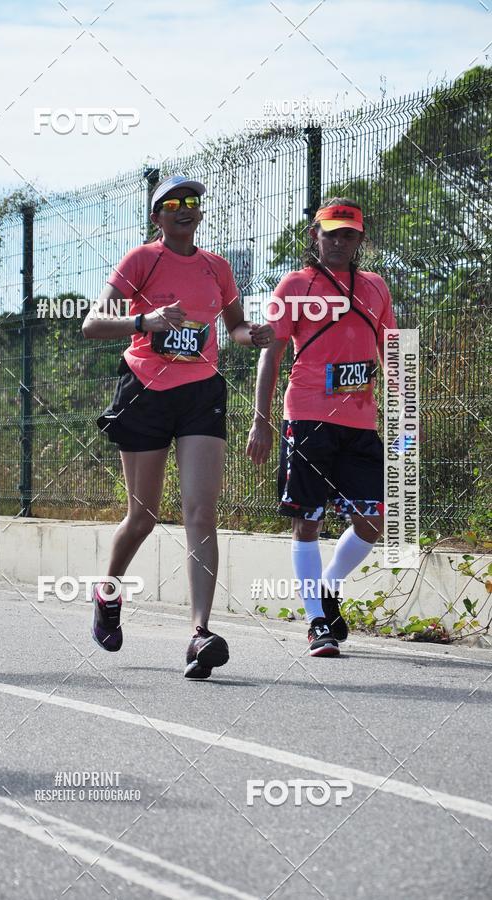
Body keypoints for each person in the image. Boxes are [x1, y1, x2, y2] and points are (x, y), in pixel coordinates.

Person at [82, 174, 273, 678]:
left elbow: (233, 327)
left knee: (200, 512)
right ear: (157, 217)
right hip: (145, 391)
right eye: (173, 204)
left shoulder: (217, 267)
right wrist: (144, 322)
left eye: (192, 202)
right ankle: (107, 592)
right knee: (142, 517)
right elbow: (92, 323)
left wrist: (252, 334)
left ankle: (199, 634)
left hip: (200, 394)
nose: (185, 208)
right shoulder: (141, 260)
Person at [246, 198, 398, 657]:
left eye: (348, 234)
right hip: (308, 417)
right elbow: (271, 354)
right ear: (316, 236)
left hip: (360, 422)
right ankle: (316, 622)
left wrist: (407, 415)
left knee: (374, 518)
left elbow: (391, 352)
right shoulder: (296, 285)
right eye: (330, 233)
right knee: (307, 521)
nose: (338, 241)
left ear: (360, 239)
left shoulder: (375, 287)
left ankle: (328, 586)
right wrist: (261, 420)